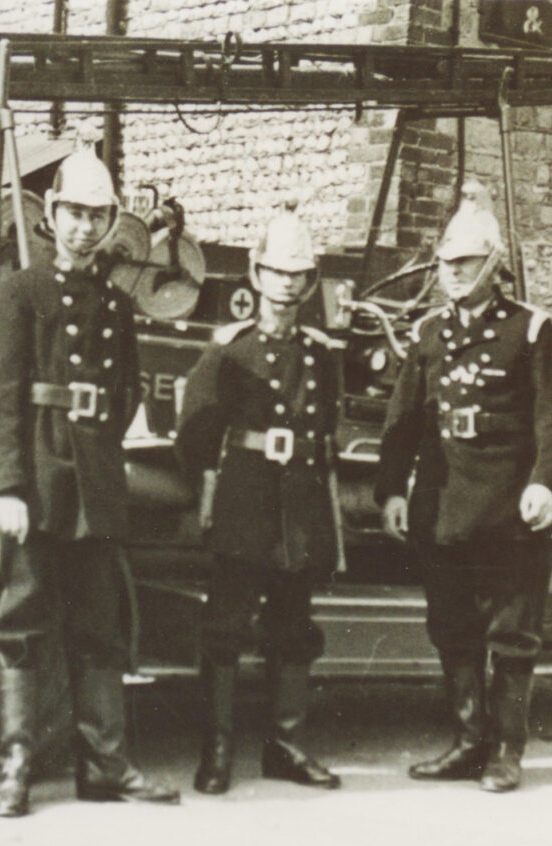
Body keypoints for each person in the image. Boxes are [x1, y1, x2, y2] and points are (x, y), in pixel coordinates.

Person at [0, 149, 180, 817]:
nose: (84, 228)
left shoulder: (117, 304)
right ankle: (15, 767)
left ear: (111, 221)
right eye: (73, 214)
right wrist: (3, 485)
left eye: (97, 216)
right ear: (51, 215)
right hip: (36, 477)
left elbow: (122, 399)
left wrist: (102, 468)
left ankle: (105, 766)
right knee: (21, 620)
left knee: (101, 626)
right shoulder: (20, 292)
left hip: (95, 484)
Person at [375, 195, 552, 793]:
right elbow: (403, 420)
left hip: (510, 508)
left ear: (492, 265)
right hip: (445, 508)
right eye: (447, 263)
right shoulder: (428, 333)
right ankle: (467, 743)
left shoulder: (530, 330)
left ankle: (506, 752)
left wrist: (544, 484)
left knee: (512, 636)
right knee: (454, 628)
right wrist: (391, 491)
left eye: (467, 262)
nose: (454, 272)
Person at [174, 208, 344, 795]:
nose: (288, 283)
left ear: (311, 280)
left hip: (297, 501)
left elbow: (329, 428)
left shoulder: (322, 353)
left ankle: (287, 745)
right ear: (256, 273)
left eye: (298, 273)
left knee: (293, 625)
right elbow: (194, 432)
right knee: (226, 626)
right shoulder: (228, 350)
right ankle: (217, 749)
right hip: (244, 496)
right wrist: (205, 492)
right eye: (277, 271)